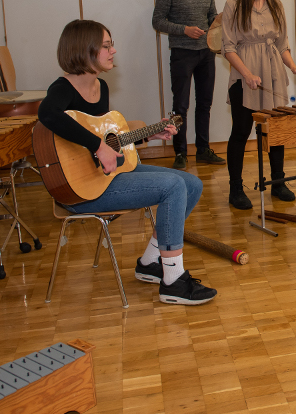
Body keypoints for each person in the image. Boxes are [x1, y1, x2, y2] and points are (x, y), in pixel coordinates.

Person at [38, 19, 217, 306]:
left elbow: (109, 141)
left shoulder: (102, 87)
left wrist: (149, 135)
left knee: (191, 184)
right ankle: (174, 280)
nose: (114, 51)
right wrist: (97, 146)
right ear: (85, 49)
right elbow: (47, 115)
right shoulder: (62, 89)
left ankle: (150, 262)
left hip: (106, 178)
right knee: (173, 185)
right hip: (80, 191)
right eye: (107, 46)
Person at [222, 0, 296, 210]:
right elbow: (228, 47)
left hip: (272, 72)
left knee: (276, 131)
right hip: (244, 74)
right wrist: (246, 74)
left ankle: (278, 182)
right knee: (241, 131)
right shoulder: (233, 5)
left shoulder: (276, 4)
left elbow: (282, 45)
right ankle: (235, 188)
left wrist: (292, 66)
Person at [151, 0, 225, 170]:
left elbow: (213, 17)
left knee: (205, 103)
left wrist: (220, 26)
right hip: (182, 54)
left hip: (206, 54)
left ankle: (203, 149)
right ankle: (180, 152)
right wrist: (184, 29)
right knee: (180, 106)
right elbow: (157, 21)